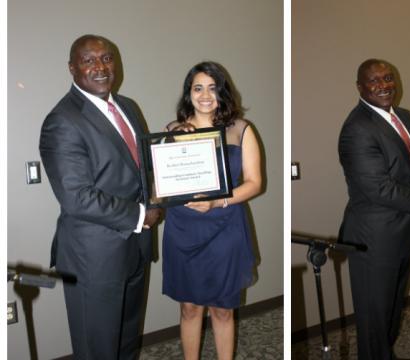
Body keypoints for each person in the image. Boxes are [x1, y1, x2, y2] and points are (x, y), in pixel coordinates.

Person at [39, 34, 162, 359]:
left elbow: (140, 166)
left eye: (106, 58)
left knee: (125, 341)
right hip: (93, 256)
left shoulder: (128, 107)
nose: (100, 67)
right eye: (88, 60)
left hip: (135, 248)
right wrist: (140, 216)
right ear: (72, 68)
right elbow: (76, 197)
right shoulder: (63, 120)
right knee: (98, 349)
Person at [338, 59, 410, 360]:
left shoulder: (404, 117)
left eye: (388, 77)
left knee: (392, 308)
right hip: (374, 238)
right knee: (374, 318)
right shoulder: (357, 128)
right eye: (374, 81)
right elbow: (378, 188)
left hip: (403, 232)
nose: (383, 85)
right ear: (360, 87)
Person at [161, 61, 262, 360]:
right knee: (189, 307)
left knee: (222, 310)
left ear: (223, 92)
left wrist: (218, 201)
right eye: (198, 88)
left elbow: (255, 183)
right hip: (183, 228)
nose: (205, 95)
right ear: (188, 93)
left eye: (212, 87)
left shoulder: (240, 129)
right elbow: (161, 183)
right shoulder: (172, 129)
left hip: (225, 227)